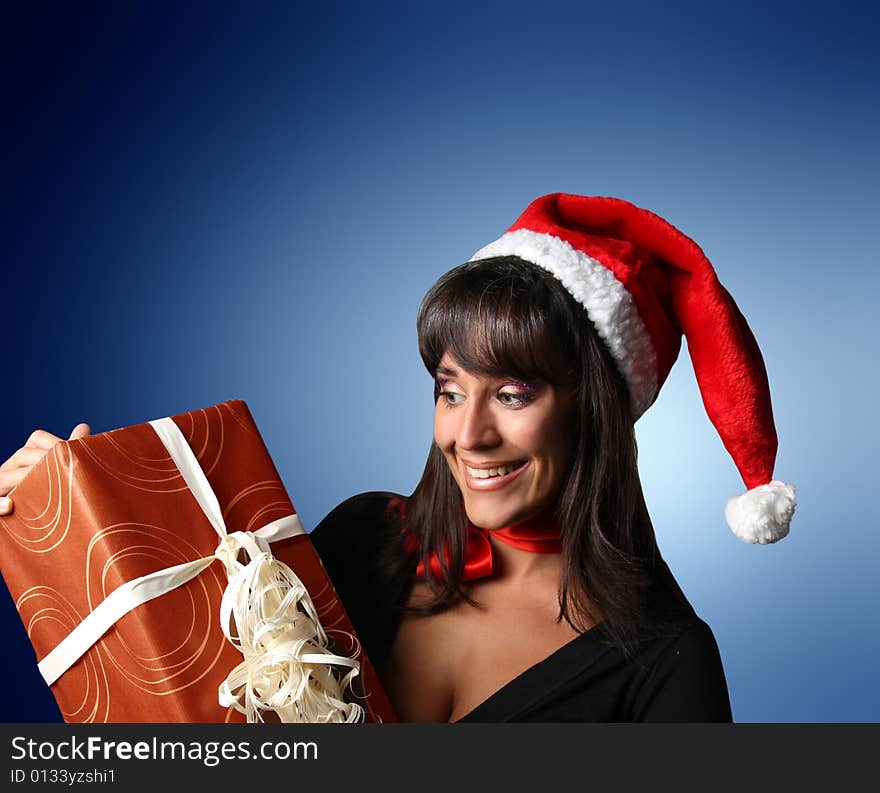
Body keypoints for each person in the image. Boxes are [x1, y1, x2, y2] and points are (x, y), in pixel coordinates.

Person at [0, 193, 795, 722]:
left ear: (596, 412)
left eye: (513, 394)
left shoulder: (667, 663)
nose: (468, 433)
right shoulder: (362, 540)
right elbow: (182, 675)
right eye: (450, 390)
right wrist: (81, 508)